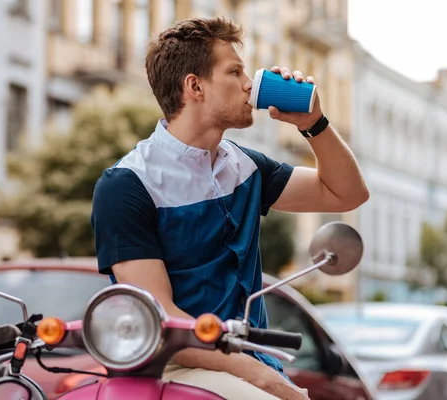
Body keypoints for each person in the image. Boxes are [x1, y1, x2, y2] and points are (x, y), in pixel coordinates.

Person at [91, 17, 369, 400]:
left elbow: (346, 194)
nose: (249, 85)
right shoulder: (127, 184)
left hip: (246, 362)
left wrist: (314, 123)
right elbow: (161, 319)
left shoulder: (246, 167)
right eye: (235, 71)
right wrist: (258, 374)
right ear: (195, 86)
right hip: (175, 363)